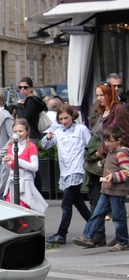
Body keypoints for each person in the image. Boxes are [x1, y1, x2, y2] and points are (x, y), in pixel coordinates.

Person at [73, 126, 129, 252]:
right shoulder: (111, 152)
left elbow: (127, 171)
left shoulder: (121, 154)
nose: (107, 144)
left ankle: (123, 241)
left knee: (118, 217)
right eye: (105, 141)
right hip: (106, 190)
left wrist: (114, 176)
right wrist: (103, 163)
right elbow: (111, 164)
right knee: (97, 213)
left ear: (119, 140)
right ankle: (87, 236)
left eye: (110, 141)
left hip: (116, 191)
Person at [42, 105, 92, 245]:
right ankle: (96, 228)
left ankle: (61, 234)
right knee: (79, 204)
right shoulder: (59, 131)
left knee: (66, 204)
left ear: (72, 116)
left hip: (77, 170)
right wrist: (48, 137)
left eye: (66, 118)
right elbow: (45, 146)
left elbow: (90, 146)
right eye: (61, 119)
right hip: (65, 171)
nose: (63, 121)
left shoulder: (81, 129)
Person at [2, 119, 48, 214]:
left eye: (20, 131)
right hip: (12, 182)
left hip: (26, 183)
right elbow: (11, 166)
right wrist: (5, 161)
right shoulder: (11, 145)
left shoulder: (31, 146)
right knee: (10, 210)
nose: (18, 133)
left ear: (27, 131)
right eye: (15, 131)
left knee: (24, 210)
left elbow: (35, 167)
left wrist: (17, 160)